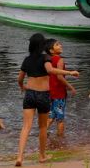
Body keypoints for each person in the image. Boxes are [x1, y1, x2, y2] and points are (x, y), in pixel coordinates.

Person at [15, 33, 79, 166]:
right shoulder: (46, 57)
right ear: (42, 45)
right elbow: (50, 71)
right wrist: (70, 73)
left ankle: (20, 157)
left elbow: (20, 79)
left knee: (26, 126)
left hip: (30, 94)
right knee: (43, 127)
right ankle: (42, 156)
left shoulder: (27, 60)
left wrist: (23, 86)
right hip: (43, 95)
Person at [44, 39, 77, 136]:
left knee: (51, 116)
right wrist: (70, 87)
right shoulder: (59, 59)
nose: (60, 45)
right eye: (57, 45)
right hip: (59, 94)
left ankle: (42, 135)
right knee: (60, 119)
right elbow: (59, 77)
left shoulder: (48, 61)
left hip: (50, 92)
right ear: (51, 50)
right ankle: (60, 141)